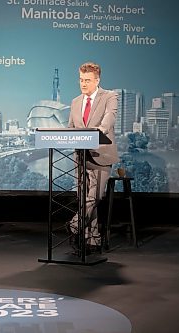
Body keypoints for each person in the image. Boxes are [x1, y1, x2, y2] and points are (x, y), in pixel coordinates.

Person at [67, 62, 119, 252]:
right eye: (81, 80)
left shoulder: (110, 96)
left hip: (102, 154)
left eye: (87, 80)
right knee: (84, 196)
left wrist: (100, 130)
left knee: (95, 196)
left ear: (97, 80)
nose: (83, 84)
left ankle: (75, 224)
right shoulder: (74, 102)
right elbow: (71, 128)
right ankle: (93, 237)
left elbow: (110, 116)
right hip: (80, 157)